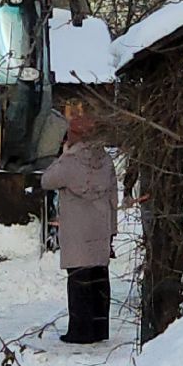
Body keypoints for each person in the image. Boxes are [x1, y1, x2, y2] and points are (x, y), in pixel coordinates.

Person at [41, 113, 116, 344]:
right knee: (99, 277)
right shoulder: (106, 160)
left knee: (78, 279)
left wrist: (64, 152)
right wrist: (113, 227)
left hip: (78, 227)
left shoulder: (71, 160)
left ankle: (80, 331)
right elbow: (114, 194)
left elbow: (47, 180)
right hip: (100, 225)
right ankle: (99, 328)